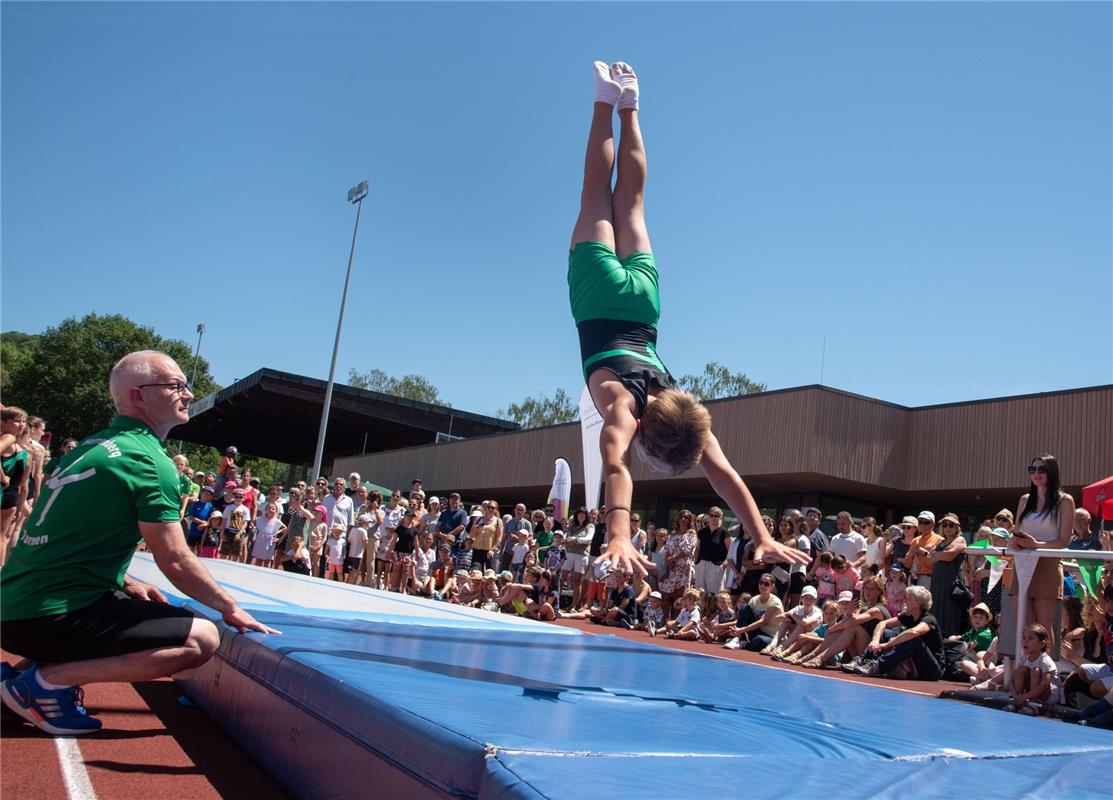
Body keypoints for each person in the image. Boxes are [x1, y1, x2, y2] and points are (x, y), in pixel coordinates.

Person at [568, 61, 809, 578]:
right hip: (597, 299)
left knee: (630, 200)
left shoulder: (681, 406)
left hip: (645, 304)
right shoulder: (623, 408)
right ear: (650, 438)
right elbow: (616, 465)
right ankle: (602, 100)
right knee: (596, 189)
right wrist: (617, 533)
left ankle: (628, 100)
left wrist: (762, 535)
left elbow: (723, 475)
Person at [0, 350, 276, 736]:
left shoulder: (90, 446)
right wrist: (229, 607)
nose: (187, 393)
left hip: (15, 604)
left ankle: (23, 674)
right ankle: (43, 684)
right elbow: (176, 559)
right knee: (200, 639)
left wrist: (127, 582)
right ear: (137, 395)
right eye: (175, 385)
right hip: (47, 613)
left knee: (140, 601)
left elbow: (72, 534)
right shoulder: (147, 460)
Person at [1010, 454, 1077, 654]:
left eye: (1042, 469)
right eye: (1033, 470)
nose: (1036, 474)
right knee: (1023, 625)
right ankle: (1023, 669)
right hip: (1022, 562)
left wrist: (1036, 544)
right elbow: (1017, 528)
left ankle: (1045, 674)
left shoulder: (1065, 501)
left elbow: (1064, 541)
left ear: (1052, 472)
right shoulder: (1024, 500)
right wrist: (1016, 541)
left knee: (1042, 627)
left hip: (1048, 562)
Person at [849, 585, 944, 680]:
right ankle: (863, 660)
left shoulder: (929, 619)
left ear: (917, 603)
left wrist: (887, 644)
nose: (904, 600)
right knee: (885, 632)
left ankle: (878, 666)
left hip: (932, 670)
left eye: (907, 598)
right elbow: (883, 623)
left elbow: (914, 632)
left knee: (913, 639)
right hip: (915, 662)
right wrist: (875, 640)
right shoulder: (909, 617)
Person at [923, 512, 968, 637]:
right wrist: (937, 555)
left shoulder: (960, 539)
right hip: (937, 583)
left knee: (949, 613)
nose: (947, 528)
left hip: (952, 584)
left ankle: (949, 642)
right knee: (936, 610)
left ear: (957, 528)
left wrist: (936, 555)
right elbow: (928, 561)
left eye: (951, 525)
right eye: (945, 525)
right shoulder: (940, 543)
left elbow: (949, 556)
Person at [1007, 623, 1062, 715]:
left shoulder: (1045, 661)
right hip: (1029, 693)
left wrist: (1024, 697)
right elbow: (1012, 680)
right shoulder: (1023, 659)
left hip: (1049, 695)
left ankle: (1033, 705)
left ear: (1041, 644)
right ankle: (1017, 704)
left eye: (1030, 638)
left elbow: (1044, 685)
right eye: (1024, 638)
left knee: (1035, 670)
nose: (1025, 641)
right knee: (1021, 670)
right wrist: (1017, 697)